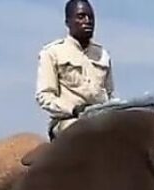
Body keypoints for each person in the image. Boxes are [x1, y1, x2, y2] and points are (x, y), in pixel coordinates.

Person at [35, 0, 114, 139]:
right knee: (85, 135)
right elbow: (45, 97)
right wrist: (73, 109)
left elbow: (109, 94)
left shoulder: (102, 54)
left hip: (101, 120)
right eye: (81, 16)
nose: (87, 21)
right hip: (68, 122)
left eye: (91, 17)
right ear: (68, 21)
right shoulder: (53, 53)